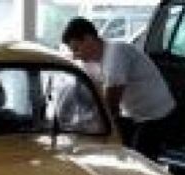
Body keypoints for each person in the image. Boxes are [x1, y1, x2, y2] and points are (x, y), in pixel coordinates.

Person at [62, 17, 176, 159]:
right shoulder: (89, 63)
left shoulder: (116, 52)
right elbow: (85, 94)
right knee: (113, 148)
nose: (75, 56)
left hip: (156, 116)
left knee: (137, 159)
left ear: (89, 39)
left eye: (76, 49)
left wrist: (90, 125)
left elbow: (111, 104)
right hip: (132, 115)